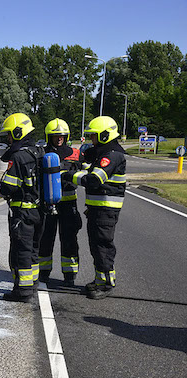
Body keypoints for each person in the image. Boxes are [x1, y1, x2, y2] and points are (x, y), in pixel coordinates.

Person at [0, 113, 44, 302]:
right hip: (39, 212)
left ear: (18, 132)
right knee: (33, 251)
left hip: (22, 213)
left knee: (21, 252)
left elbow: (8, 187)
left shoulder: (19, 156)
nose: (8, 139)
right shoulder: (38, 152)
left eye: (10, 135)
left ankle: (22, 292)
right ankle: (32, 285)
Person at [63, 116, 126, 300]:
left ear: (105, 136)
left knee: (103, 246)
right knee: (96, 246)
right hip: (99, 209)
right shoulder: (104, 153)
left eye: (94, 136)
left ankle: (106, 284)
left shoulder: (112, 155)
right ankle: (99, 280)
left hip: (106, 209)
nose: (92, 140)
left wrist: (69, 176)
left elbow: (94, 180)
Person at [38, 118, 83, 287]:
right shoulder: (42, 153)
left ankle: (70, 275)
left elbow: (86, 174)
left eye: (62, 136)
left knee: (69, 240)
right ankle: (43, 273)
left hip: (69, 204)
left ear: (66, 136)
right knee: (45, 239)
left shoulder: (76, 154)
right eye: (56, 136)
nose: (59, 139)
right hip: (47, 203)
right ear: (49, 137)